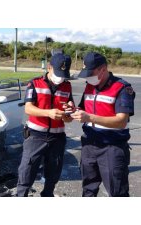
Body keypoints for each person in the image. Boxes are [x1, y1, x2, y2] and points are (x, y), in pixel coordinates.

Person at [70, 52, 135, 197]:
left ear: (103, 69)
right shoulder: (90, 86)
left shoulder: (122, 88)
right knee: (88, 190)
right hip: (89, 145)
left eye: (90, 73)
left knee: (117, 193)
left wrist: (90, 117)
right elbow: (83, 108)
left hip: (112, 147)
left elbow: (121, 120)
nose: (87, 77)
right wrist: (73, 109)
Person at [17, 53, 74, 197]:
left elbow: (68, 118)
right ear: (49, 67)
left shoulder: (67, 86)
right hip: (36, 136)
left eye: (64, 74)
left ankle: (47, 195)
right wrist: (48, 113)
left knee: (53, 173)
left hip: (57, 138)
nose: (61, 77)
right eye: (58, 73)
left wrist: (69, 115)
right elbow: (28, 108)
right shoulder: (35, 83)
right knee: (26, 172)